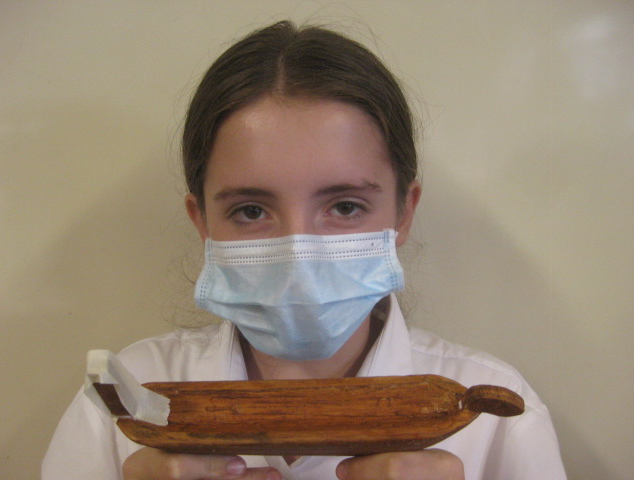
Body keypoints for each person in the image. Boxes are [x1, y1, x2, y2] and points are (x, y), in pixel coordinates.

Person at [42, 20, 566, 480]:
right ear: (201, 221)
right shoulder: (124, 403)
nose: (298, 259)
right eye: (251, 210)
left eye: (345, 206)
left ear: (403, 214)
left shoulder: (495, 414)